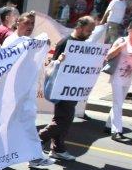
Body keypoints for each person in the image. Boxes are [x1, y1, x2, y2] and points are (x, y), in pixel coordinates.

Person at [40, 16, 97, 162]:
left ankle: (58, 149)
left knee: (65, 119)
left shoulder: (83, 44)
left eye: (92, 31)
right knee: (63, 120)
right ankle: (38, 139)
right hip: (62, 88)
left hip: (73, 89)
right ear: (79, 26)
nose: (91, 33)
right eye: (89, 30)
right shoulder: (65, 43)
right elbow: (52, 67)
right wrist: (60, 61)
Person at [103, 18, 132, 141]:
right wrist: (120, 47)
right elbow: (108, 56)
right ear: (129, 29)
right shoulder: (122, 40)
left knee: (119, 102)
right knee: (118, 103)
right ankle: (116, 131)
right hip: (117, 75)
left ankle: (108, 125)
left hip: (128, 77)